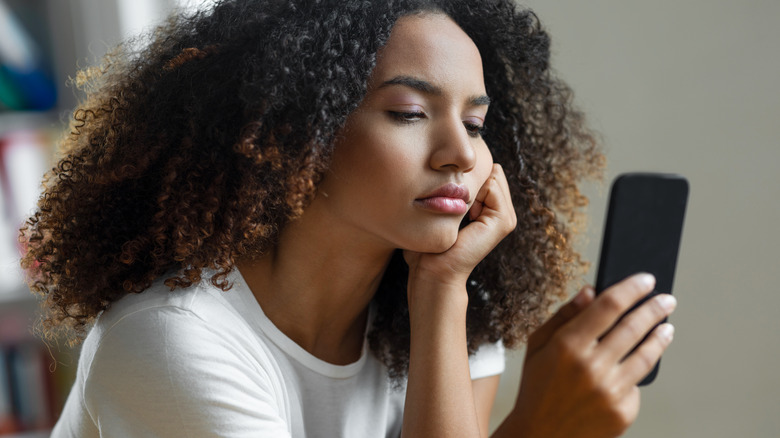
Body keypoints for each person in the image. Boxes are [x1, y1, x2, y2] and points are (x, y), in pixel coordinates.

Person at [21, 0, 676, 437]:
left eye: (475, 123)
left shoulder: (447, 297)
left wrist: (443, 291)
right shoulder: (173, 345)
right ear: (293, 130)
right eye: (409, 113)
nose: (460, 153)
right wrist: (538, 428)